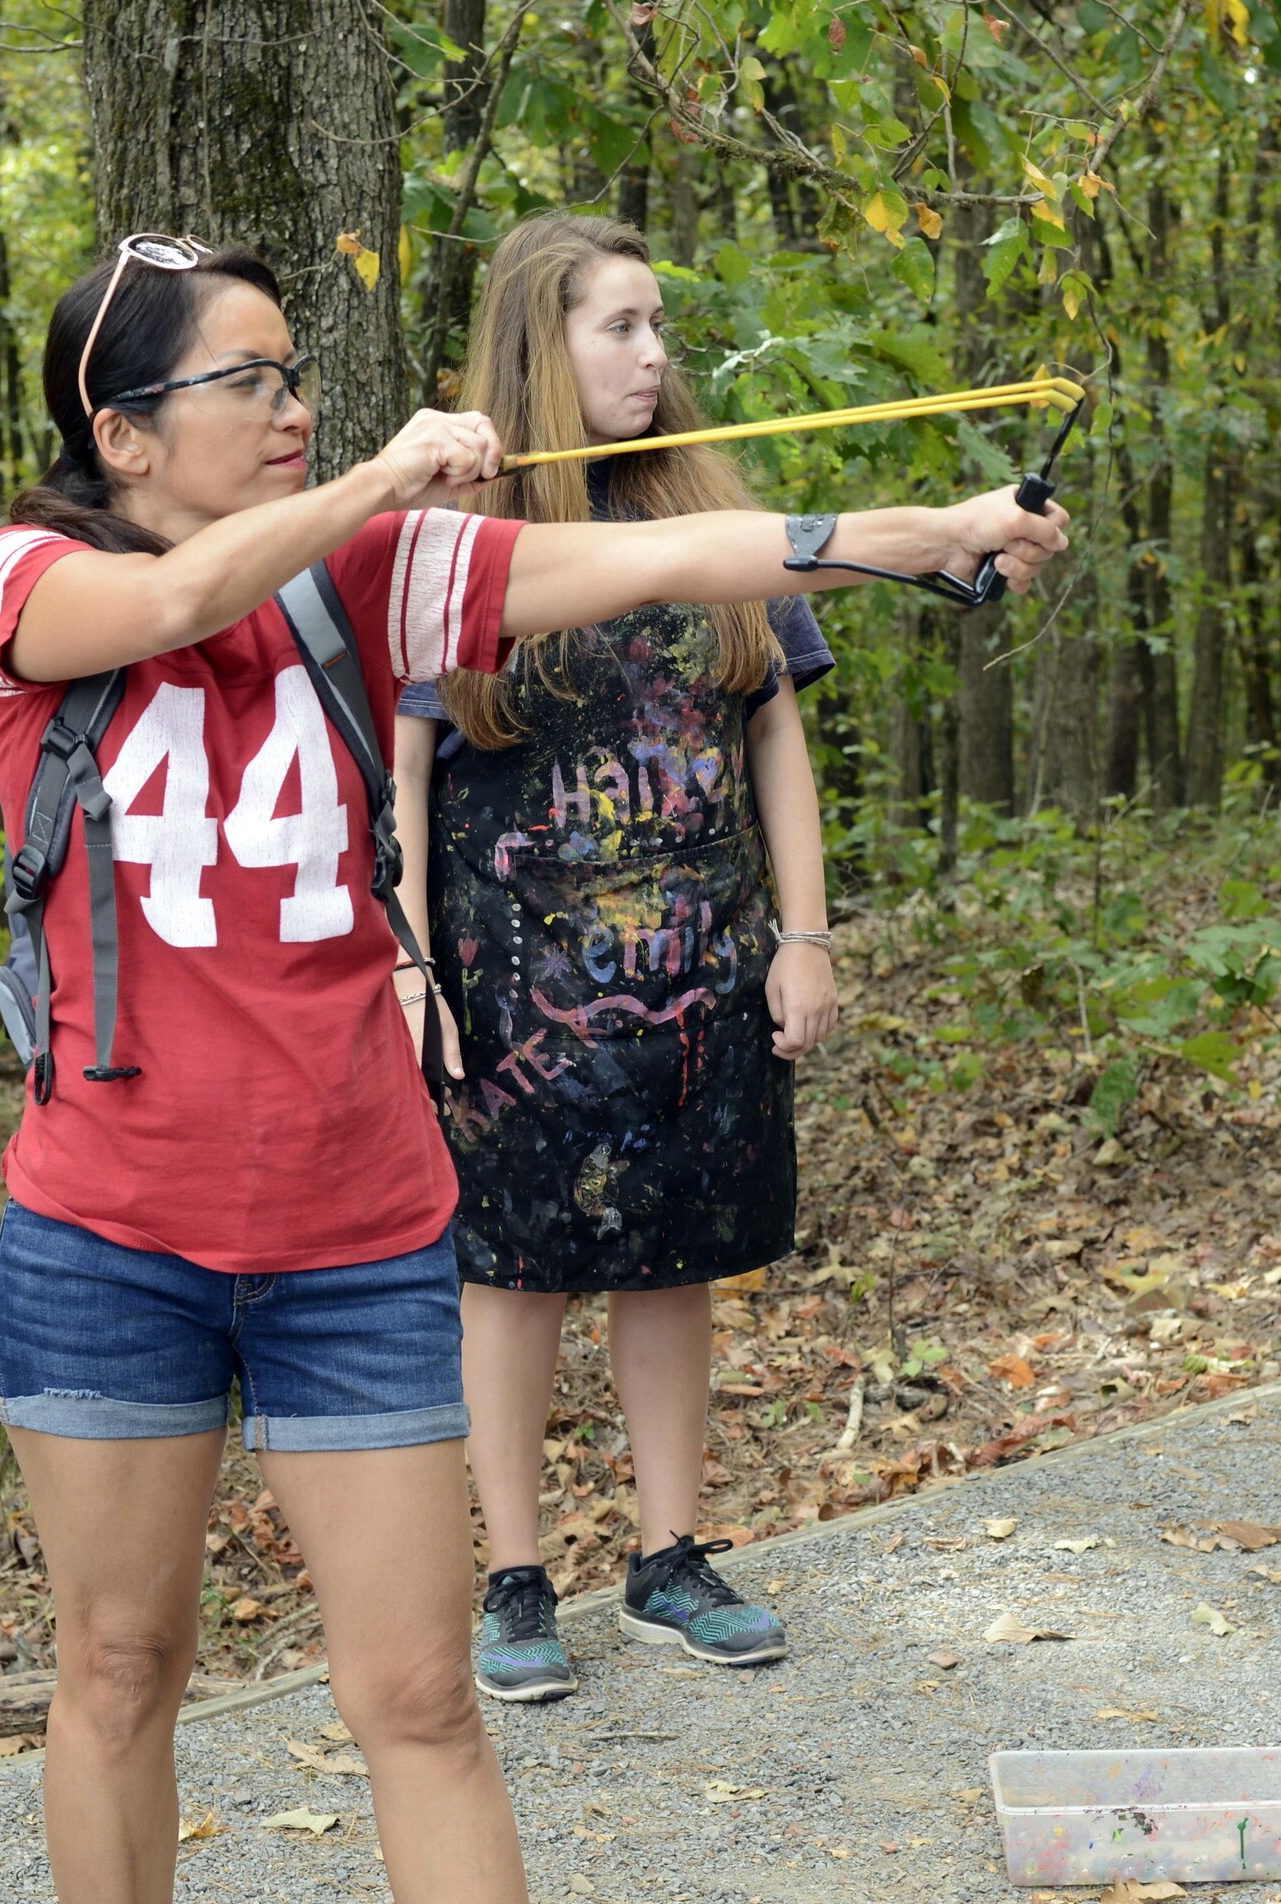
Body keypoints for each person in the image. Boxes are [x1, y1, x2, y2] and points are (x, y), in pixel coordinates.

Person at [0, 231, 1067, 1904]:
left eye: (299, 375)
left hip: (361, 1232)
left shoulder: (378, 574)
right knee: (116, 1665)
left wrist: (922, 537)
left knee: (414, 1694)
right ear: (125, 434)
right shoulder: (16, 581)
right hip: (108, 1237)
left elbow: (660, 552)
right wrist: (388, 477)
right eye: (251, 383)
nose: (296, 408)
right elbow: (168, 609)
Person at [394, 211, 848, 1701]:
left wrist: (804, 933)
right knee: (510, 1272)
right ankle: (517, 1581)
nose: (654, 358)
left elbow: (772, 724)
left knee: (677, 1258)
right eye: (619, 328)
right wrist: (408, 966)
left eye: (661, 329)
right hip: (512, 989)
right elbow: (401, 762)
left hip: (705, 970)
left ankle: (668, 1555)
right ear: (543, 341)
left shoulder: (715, 514)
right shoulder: (455, 547)